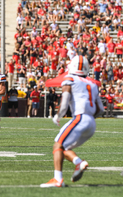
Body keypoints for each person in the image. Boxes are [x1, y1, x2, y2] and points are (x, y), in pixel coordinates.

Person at [40, 55, 104, 188]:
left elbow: (64, 104)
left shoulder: (70, 79)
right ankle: (79, 162)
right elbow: (100, 109)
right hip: (91, 123)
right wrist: (89, 118)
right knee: (64, 148)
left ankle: (58, 179)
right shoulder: (92, 83)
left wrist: (58, 116)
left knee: (57, 146)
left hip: (80, 118)